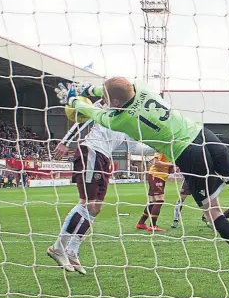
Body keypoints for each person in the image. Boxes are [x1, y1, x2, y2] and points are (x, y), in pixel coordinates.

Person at [58, 79, 229, 286]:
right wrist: (87, 89)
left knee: (213, 212)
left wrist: (73, 98)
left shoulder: (118, 120)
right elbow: (111, 89)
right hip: (204, 135)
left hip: (187, 153)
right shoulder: (142, 87)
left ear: (115, 103)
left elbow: (92, 110)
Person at [47, 100, 155, 275]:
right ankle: (58, 247)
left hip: (104, 158)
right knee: (87, 202)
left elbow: (135, 147)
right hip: (91, 151)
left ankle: (72, 251)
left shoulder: (130, 124)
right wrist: (65, 141)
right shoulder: (108, 104)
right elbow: (83, 115)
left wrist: (160, 148)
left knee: (95, 208)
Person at [136, 152, 173, 232]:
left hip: (158, 177)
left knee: (153, 201)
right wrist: (170, 164)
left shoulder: (170, 151)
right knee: (159, 200)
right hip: (156, 176)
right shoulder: (161, 150)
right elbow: (156, 163)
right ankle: (153, 226)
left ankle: (141, 223)